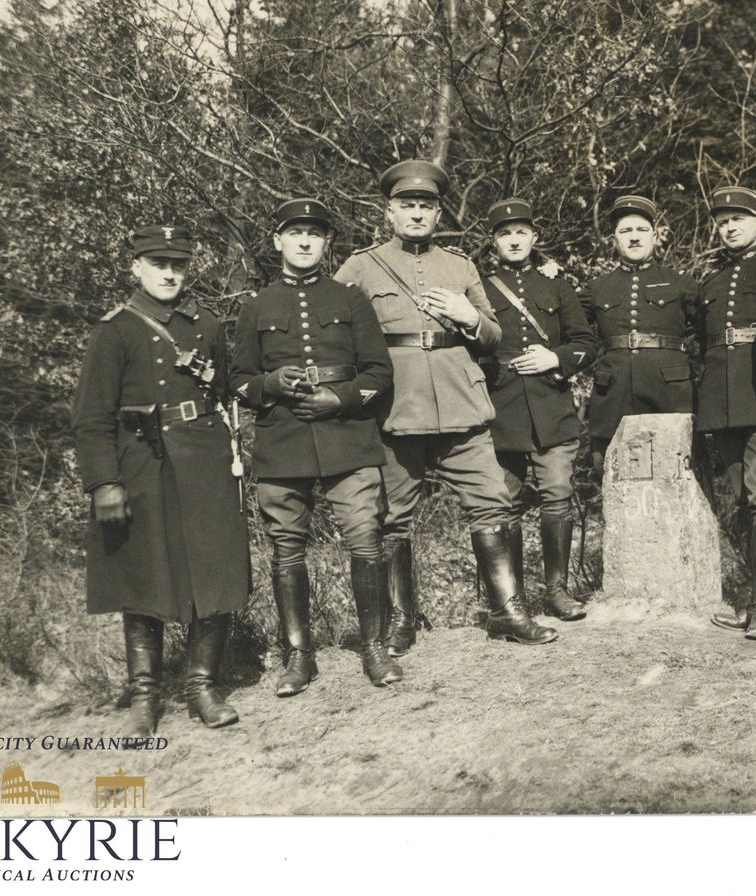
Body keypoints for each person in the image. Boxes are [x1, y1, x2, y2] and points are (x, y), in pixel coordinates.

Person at [336, 160, 557, 646]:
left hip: (462, 409)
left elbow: (494, 335)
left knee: (493, 502)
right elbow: (337, 337)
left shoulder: (460, 266)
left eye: (426, 206)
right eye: (407, 205)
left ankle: (507, 611)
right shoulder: (360, 266)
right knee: (391, 519)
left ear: (439, 214)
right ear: (389, 211)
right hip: (395, 411)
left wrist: (469, 317)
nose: (416, 214)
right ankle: (401, 620)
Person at [71, 225, 250, 737]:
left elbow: (229, 385)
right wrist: (104, 482)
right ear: (136, 267)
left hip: (207, 458)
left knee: (212, 570)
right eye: (157, 263)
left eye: (178, 265)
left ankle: (201, 687)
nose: (169, 274)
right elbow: (91, 417)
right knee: (142, 574)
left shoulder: (207, 323)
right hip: (142, 463)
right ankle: (144, 697)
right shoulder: (116, 329)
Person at [231, 199, 398, 692]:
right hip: (282, 438)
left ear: (327, 244)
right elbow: (239, 380)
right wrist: (272, 386)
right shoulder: (256, 306)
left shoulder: (350, 300)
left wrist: (340, 398)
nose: (305, 241)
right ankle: (298, 657)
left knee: (366, 537)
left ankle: (375, 648)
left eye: (315, 234)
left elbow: (379, 372)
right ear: (277, 241)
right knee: (286, 549)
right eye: (295, 233)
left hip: (347, 435)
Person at [481, 198, 598, 621]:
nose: (513, 241)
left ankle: (557, 591)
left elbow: (586, 343)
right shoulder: (480, 286)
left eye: (520, 233)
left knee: (557, 496)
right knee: (504, 503)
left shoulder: (557, 284)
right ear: (493, 242)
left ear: (534, 237)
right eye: (504, 234)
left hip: (552, 407)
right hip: (501, 409)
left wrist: (556, 359)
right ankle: (510, 600)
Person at [695, 186, 756, 641]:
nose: (730, 227)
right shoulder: (709, 280)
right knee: (745, 500)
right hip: (720, 397)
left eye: (739, 219)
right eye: (723, 221)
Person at [581, 195, 699, 475]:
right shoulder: (597, 288)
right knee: (611, 472)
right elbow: (569, 330)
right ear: (614, 239)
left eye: (641, 230)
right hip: (613, 394)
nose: (634, 238)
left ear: (655, 235)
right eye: (626, 231)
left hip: (669, 393)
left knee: (675, 475)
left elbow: (705, 337)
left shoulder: (680, 282)